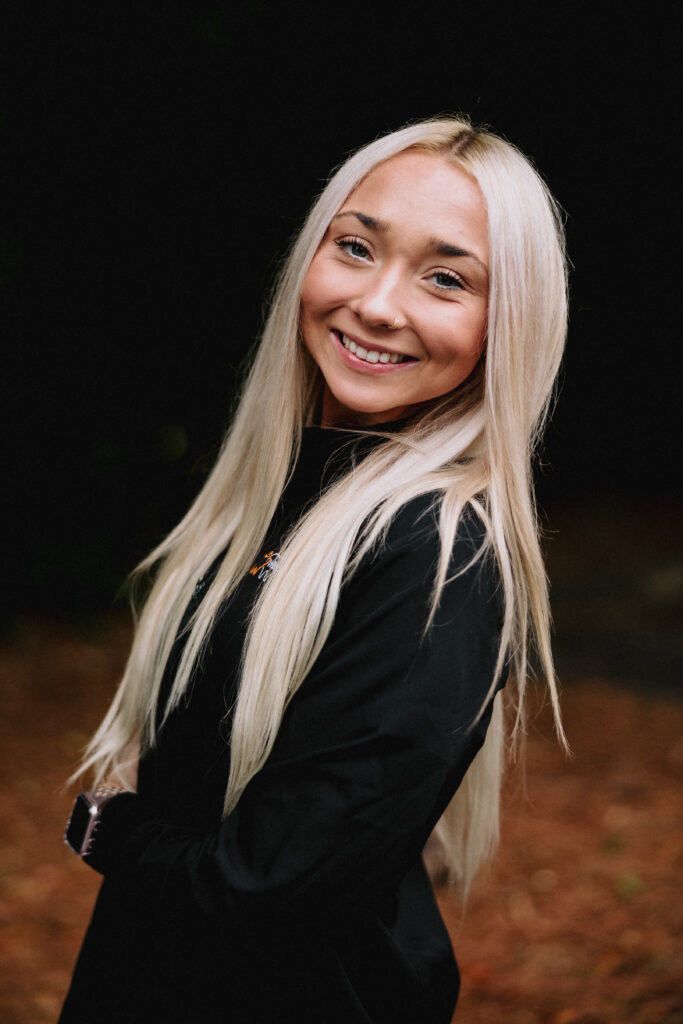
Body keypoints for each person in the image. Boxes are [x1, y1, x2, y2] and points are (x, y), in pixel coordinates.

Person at [60, 116, 568, 1023]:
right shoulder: (284, 489)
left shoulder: (436, 554)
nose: (377, 304)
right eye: (355, 247)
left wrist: (116, 834)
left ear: (508, 323)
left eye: (446, 278)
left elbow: (266, 882)